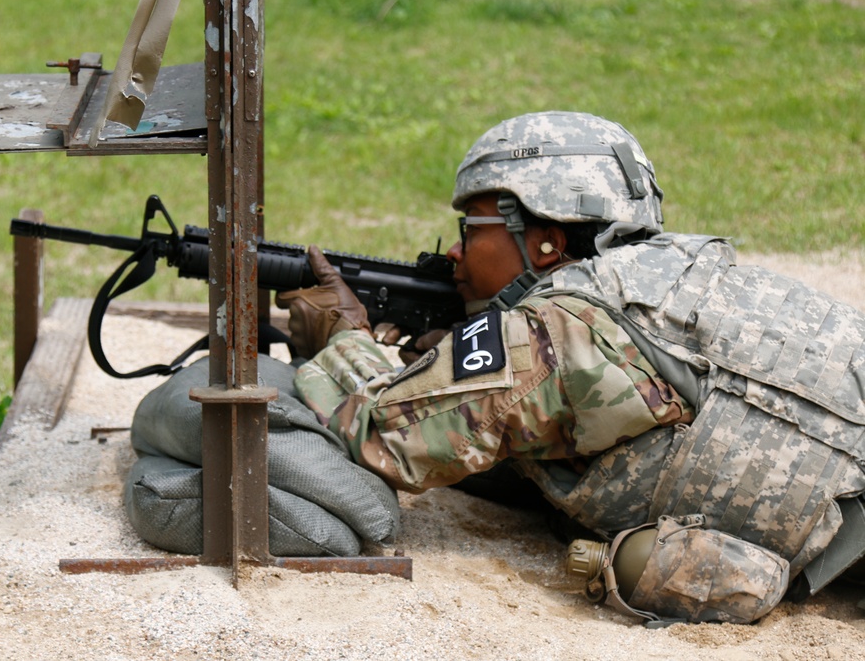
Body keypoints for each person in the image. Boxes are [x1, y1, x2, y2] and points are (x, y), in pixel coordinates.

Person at [275, 111, 865, 625]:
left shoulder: (564, 331)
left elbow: (381, 432)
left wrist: (341, 336)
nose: (455, 252)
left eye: (469, 228)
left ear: (546, 243)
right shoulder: (677, 272)